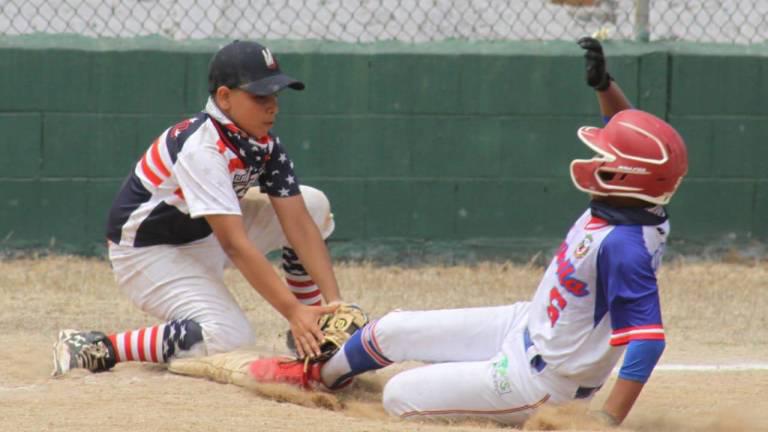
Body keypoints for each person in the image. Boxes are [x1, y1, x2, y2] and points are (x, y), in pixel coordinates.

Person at [248, 37, 689, 428]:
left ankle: (485, 387)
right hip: (527, 323)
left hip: (540, 379)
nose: (598, 158)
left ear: (627, 178)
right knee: (392, 329)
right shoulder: (635, 203)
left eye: (609, 159)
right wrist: (604, 87)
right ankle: (317, 377)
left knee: (399, 396)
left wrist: (606, 421)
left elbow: (648, 344)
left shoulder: (626, 246)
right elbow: (634, 141)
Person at [52, 40, 348, 376]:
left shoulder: (264, 144)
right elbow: (235, 246)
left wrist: (334, 304)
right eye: (259, 96)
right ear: (224, 97)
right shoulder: (201, 148)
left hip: (203, 234)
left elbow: (298, 222)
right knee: (230, 338)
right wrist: (292, 312)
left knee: (313, 205)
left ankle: (314, 337)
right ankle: (99, 347)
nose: (272, 106)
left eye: (276, 95)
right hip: (148, 253)